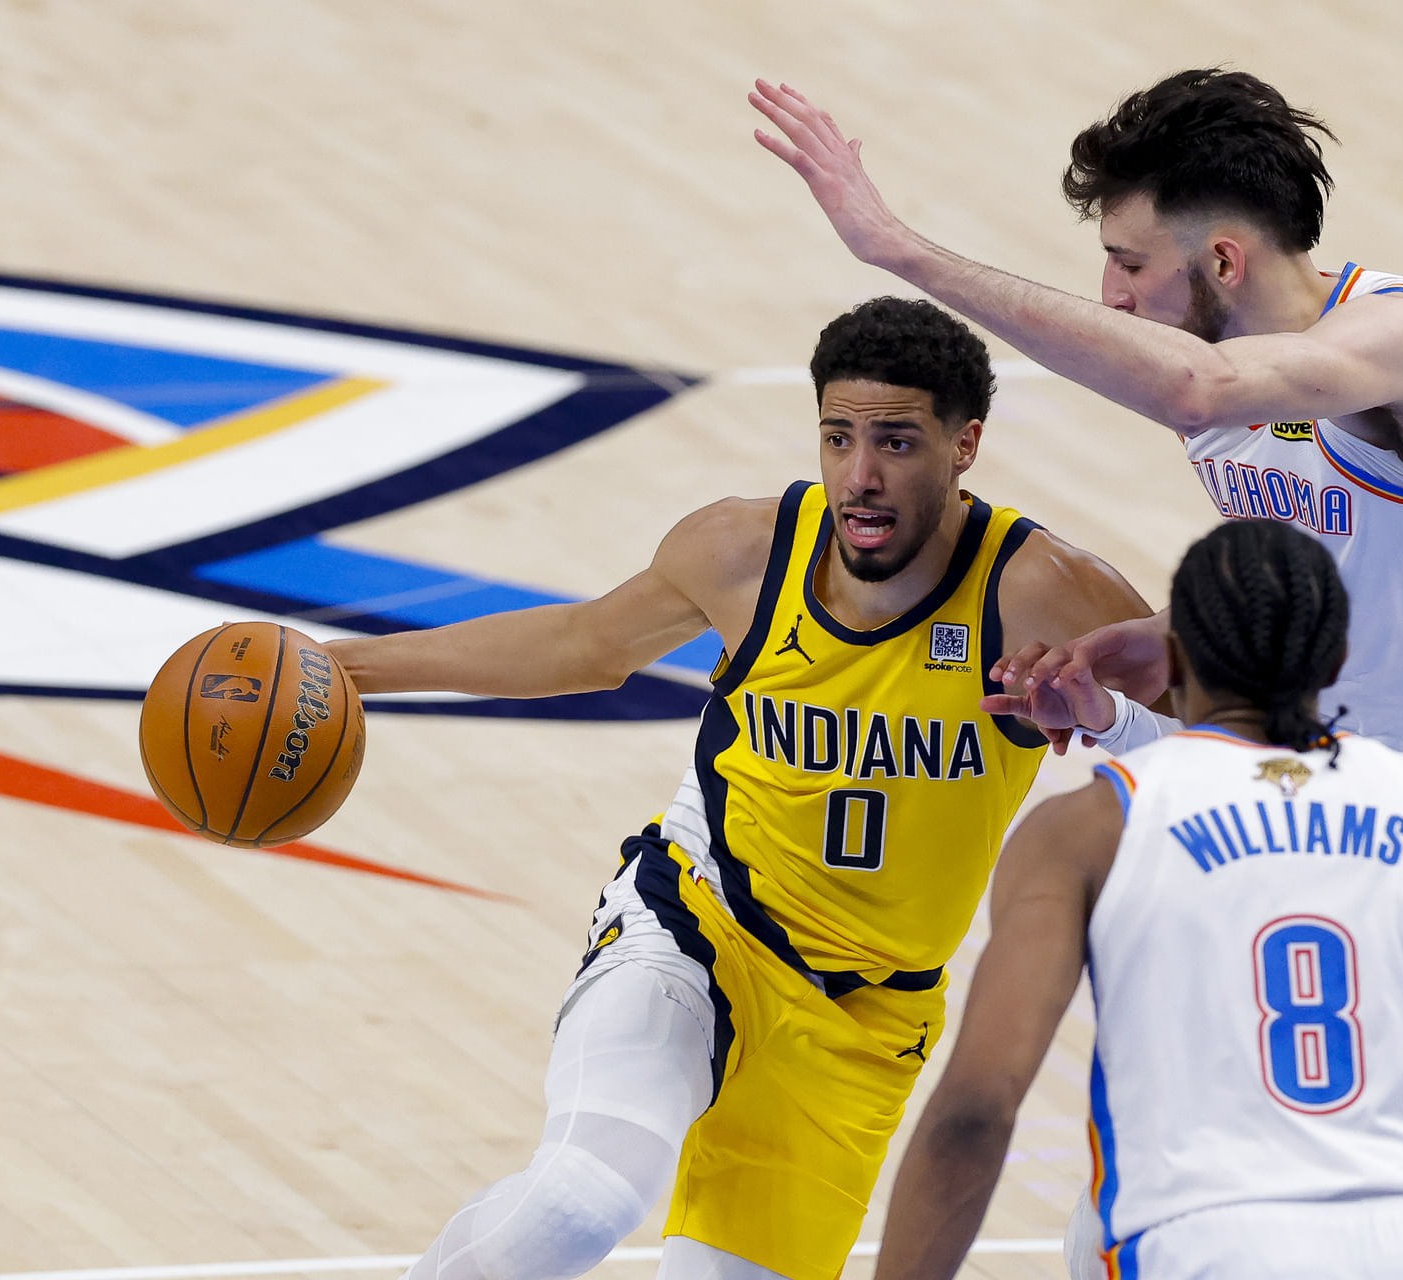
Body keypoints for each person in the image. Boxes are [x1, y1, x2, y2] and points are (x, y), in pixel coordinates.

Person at [752, 66, 1403, 1142]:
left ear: (1223, 261)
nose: (1111, 296)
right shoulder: (1213, 371)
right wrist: (1161, 648)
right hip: (1321, 811)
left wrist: (900, 250)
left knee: (1377, 1177)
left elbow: (1198, 391)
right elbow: (1337, 570)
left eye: (1127, 264)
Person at [326, 297, 1153, 1280]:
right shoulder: (744, 551)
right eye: (838, 436)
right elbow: (581, 644)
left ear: (964, 443)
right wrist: (348, 668)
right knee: (579, 1198)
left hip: (865, 1018)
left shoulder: (1042, 589)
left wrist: (1108, 720)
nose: (860, 475)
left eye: (896, 441)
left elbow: (1209, 729)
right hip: (697, 922)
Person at [873, 519, 1403, 1280]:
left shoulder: (1083, 833)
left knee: (1094, 1233)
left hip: (1207, 1245)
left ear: (1173, 662)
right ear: (1339, 657)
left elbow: (975, 1111)